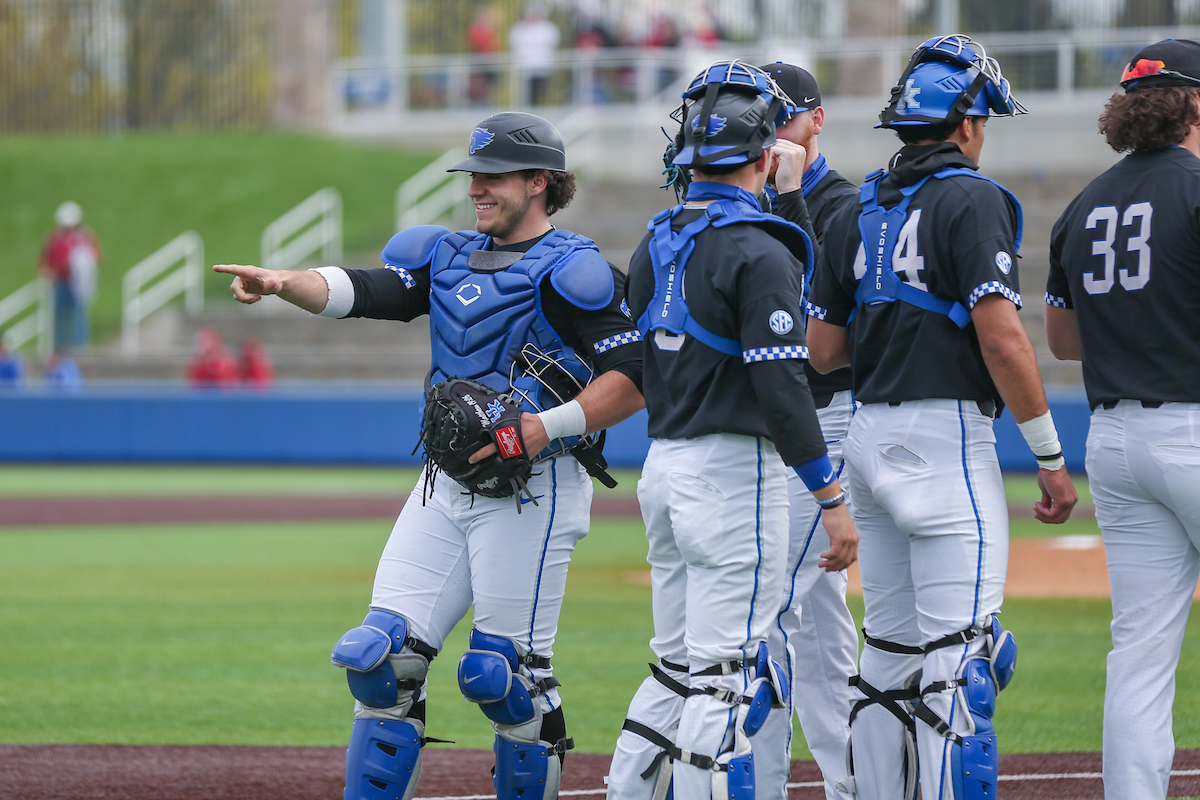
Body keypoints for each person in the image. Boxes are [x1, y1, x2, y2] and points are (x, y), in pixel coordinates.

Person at [214, 111, 645, 800]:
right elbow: (368, 290)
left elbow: (635, 380)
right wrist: (286, 283)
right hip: (443, 484)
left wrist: (543, 427)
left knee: (505, 678)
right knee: (379, 659)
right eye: (473, 173)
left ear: (540, 182)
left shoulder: (574, 271)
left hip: (535, 488)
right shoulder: (442, 255)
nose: (476, 187)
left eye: (493, 175)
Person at [805, 35, 1078, 800]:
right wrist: (1050, 457)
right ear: (964, 123)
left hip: (865, 436)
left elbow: (823, 351)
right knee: (964, 669)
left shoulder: (856, 208)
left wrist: (892, 321)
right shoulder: (975, 198)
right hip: (946, 439)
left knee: (887, 660)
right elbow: (1002, 339)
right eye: (985, 120)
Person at [606, 61, 857, 800]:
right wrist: (830, 496)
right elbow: (786, 386)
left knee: (675, 667)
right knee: (725, 681)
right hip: (729, 477)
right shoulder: (759, 247)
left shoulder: (656, 239)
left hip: (664, 468)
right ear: (762, 156)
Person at [1045, 38, 1200, 800]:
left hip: (1114, 437)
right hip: (1194, 432)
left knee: (1138, 652)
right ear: (1194, 102)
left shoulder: (1082, 205)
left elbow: (1063, 340)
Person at [752, 62, 861, 800]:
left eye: (783, 116)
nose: (770, 131)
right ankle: (857, 778)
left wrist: (789, 197)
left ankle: (756, 782)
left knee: (765, 603)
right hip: (761, 418)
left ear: (816, 119)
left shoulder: (843, 201)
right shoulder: (732, 190)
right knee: (815, 611)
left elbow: (821, 313)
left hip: (823, 411)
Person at [39, 201, 101, 353]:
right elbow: (46, 258)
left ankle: (79, 347)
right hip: (61, 281)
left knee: (77, 314)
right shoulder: (55, 238)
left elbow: (95, 255)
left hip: (77, 282)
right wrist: (48, 271)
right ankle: (60, 348)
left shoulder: (84, 237)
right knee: (60, 315)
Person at [508, 2, 560, 106]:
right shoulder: (519, 28)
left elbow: (552, 43)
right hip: (525, 68)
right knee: (526, 96)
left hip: (542, 67)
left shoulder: (548, 28)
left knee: (542, 93)